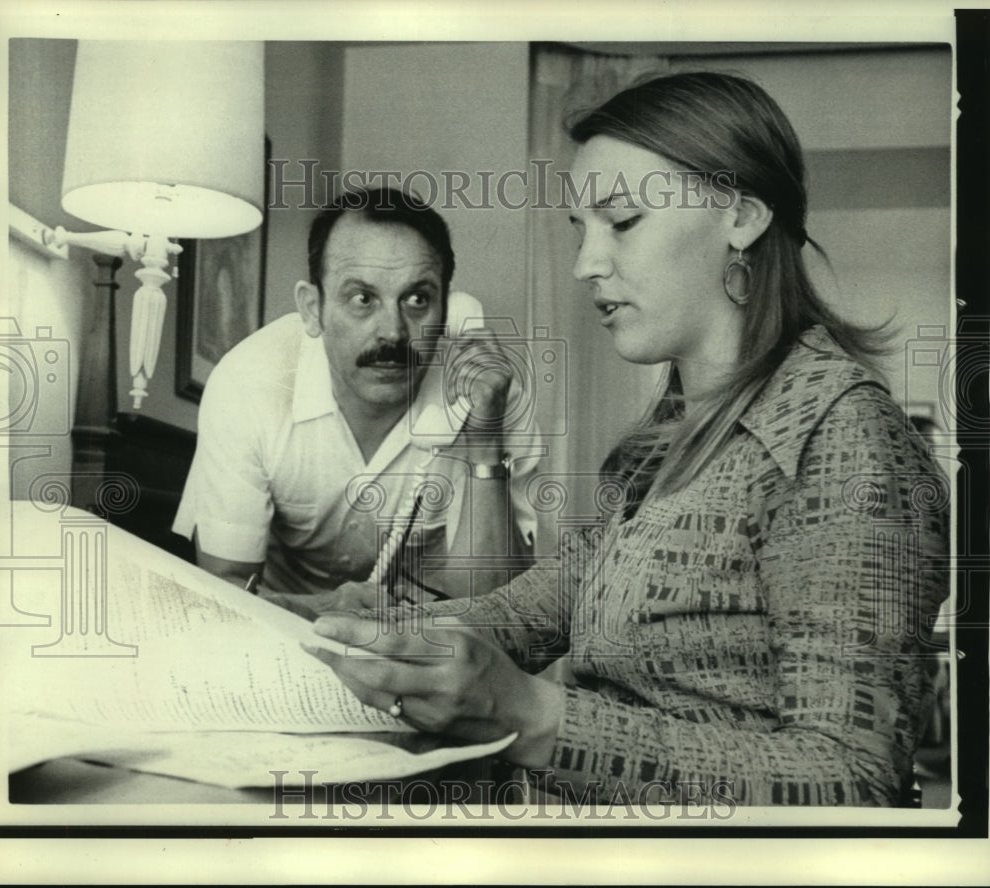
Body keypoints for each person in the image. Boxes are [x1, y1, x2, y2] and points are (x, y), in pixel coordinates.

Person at [300, 72, 950, 807]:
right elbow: (528, 612)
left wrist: (535, 715)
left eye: (623, 221)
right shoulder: (665, 441)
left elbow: (852, 784)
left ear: (740, 215)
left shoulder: (843, 442)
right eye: (581, 230)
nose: (586, 264)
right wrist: (390, 631)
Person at [173, 187, 538, 606]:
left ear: (450, 312)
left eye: (418, 299)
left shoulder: (491, 393)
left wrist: (485, 441)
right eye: (362, 299)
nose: (394, 332)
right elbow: (225, 592)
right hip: (277, 631)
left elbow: (495, 614)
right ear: (313, 309)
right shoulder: (248, 384)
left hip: (422, 649)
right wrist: (330, 608)